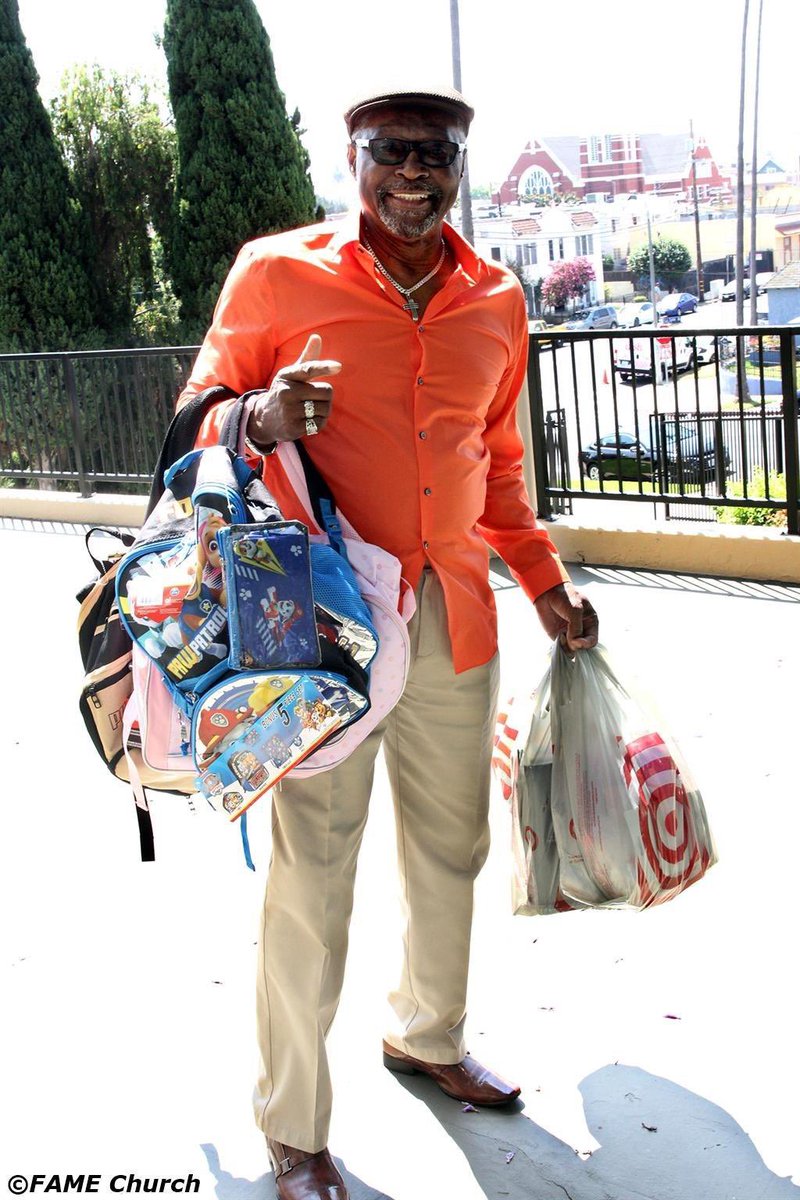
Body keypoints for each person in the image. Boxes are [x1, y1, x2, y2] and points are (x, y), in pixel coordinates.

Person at [179, 84, 599, 1200]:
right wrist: (260, 417)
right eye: (391, 150)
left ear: (459, 167)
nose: (413, 172)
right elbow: (191, 421)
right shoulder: (277, 273)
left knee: (451, 852)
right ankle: (293, 1125)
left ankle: (426, 1031)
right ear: (354, 157)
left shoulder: (495, 298)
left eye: (435, 154)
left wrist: (542, 581)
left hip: (455, 612)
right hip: (320, 625)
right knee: (313, 877)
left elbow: (498, 464)